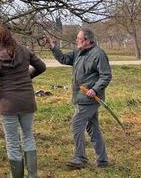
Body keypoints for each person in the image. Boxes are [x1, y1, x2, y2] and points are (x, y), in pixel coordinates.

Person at [0, 25, 46, 178]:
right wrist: (28, 76)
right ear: (10, 36)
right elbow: (41, 67)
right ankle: (33, 176)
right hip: (27, 100)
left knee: (12, 141)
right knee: (28, 135)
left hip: (7, 103)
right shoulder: (25, 50)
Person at [48, 28, 112, 169]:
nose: (76, 40)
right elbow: (64, 59)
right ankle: (103, 161)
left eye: (79, 38)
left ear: (88, 41)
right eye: (77, 38)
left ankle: (80, 158)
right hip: (79, 97)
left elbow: (106, 75)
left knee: (77, 123)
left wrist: (94, 89)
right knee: (92, 128)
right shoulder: (78, 52)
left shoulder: (98, 54)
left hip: (91, 99)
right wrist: (54, 48)